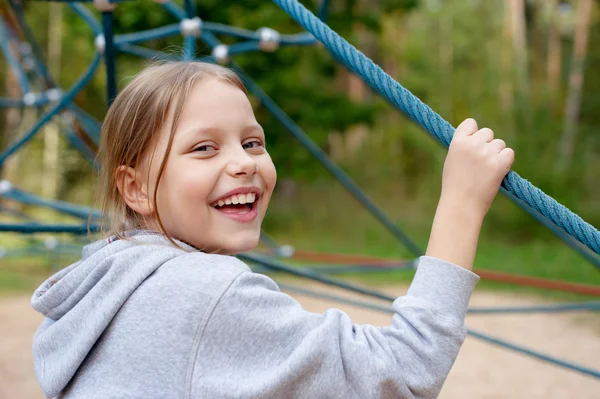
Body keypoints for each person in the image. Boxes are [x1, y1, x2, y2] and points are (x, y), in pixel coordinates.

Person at [30, 61, 514, 399]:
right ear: (134, 189)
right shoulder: (202, 294)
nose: (243, 162)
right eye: (203, 149)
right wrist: (462, 202)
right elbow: (403, 375)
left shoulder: (105, 288)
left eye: (252, 141)